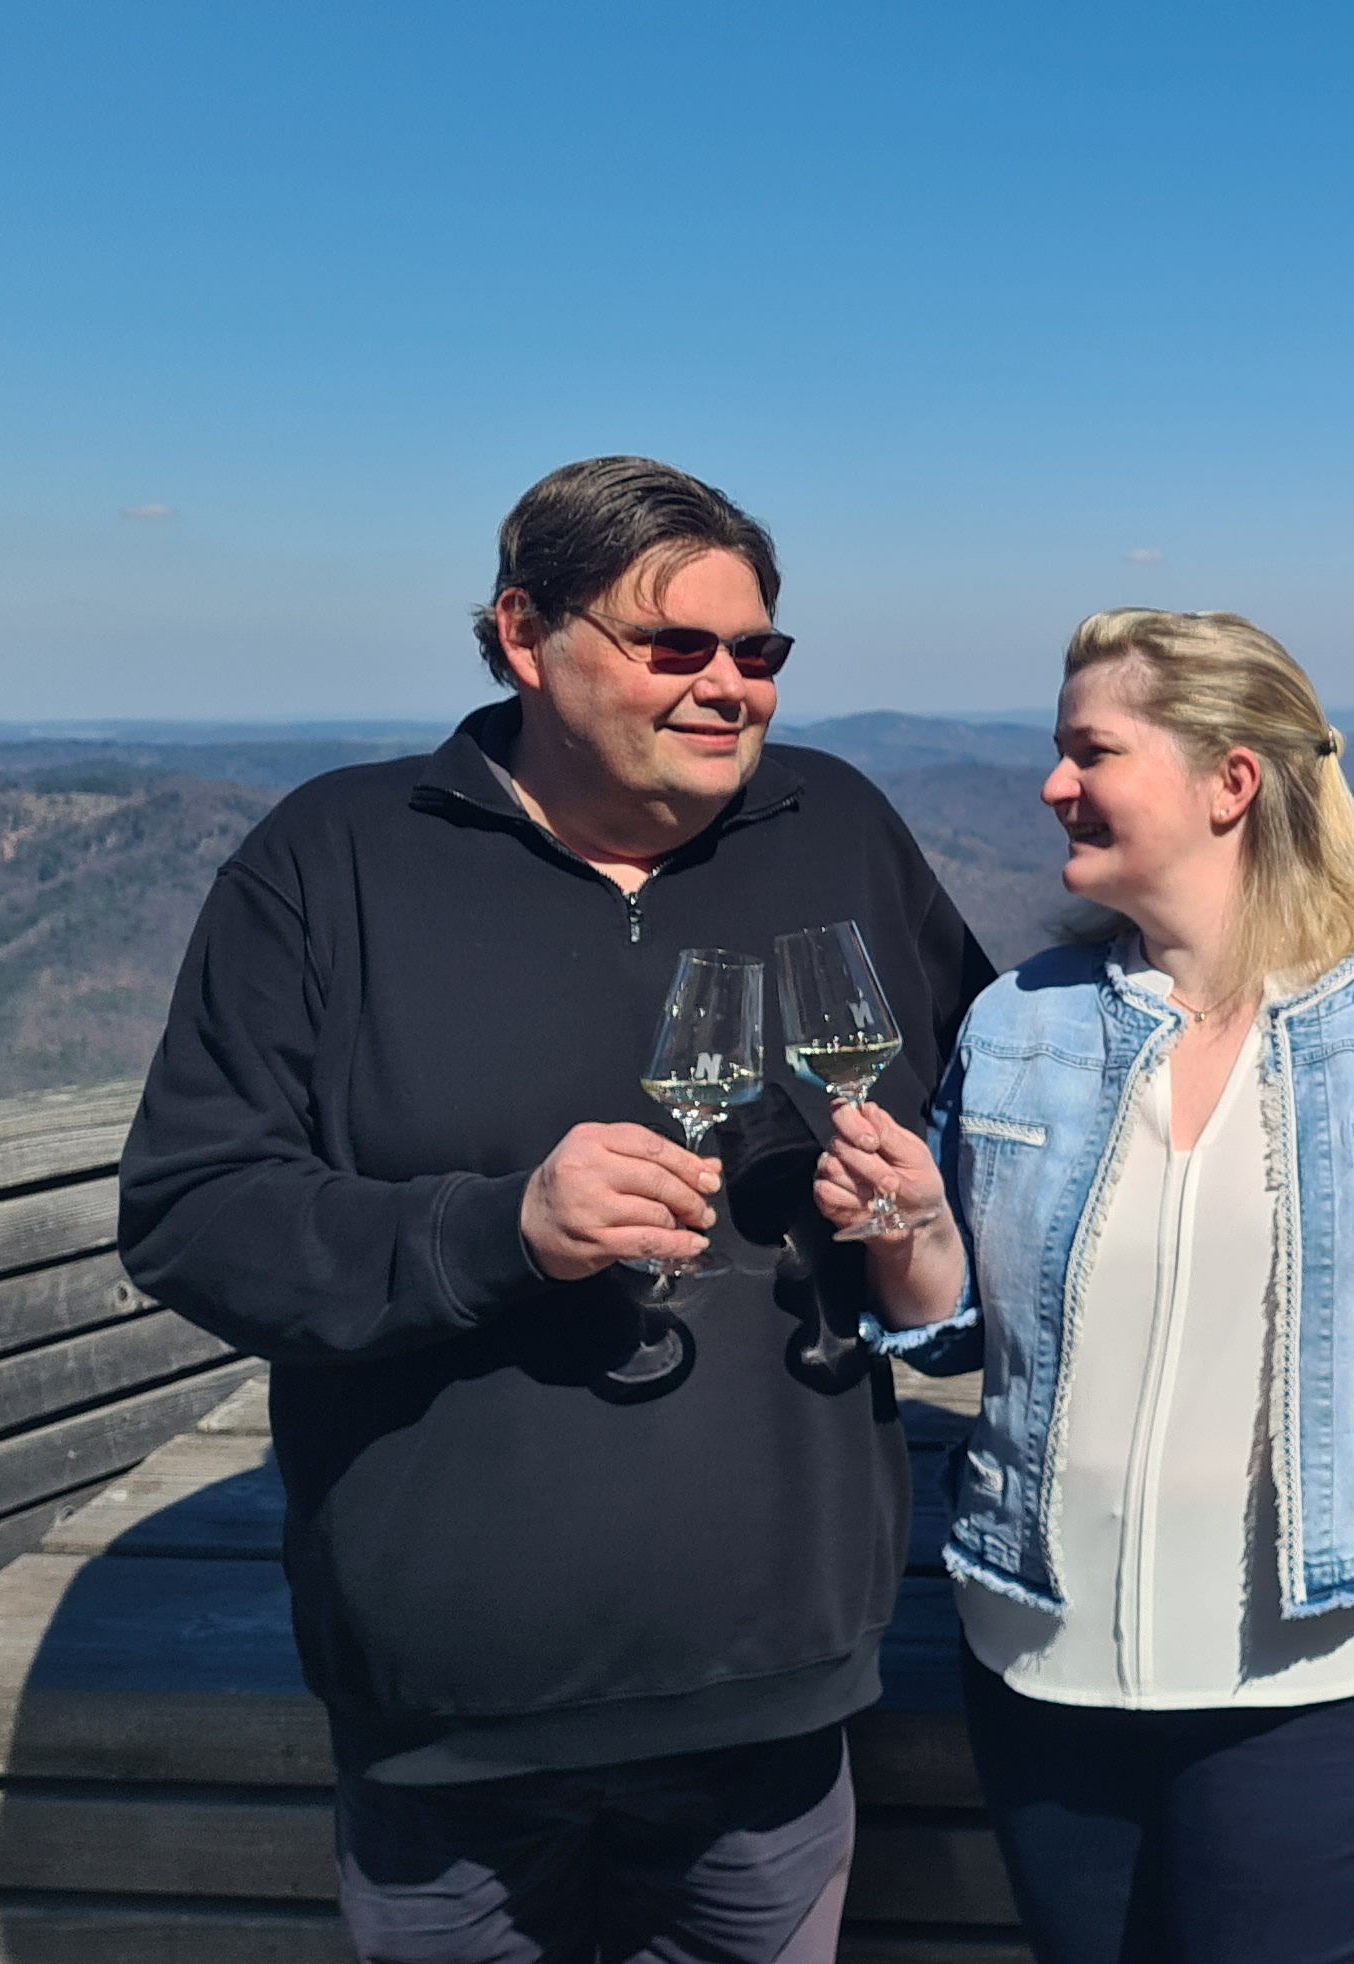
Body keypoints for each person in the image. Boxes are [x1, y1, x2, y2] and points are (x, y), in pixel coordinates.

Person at [120, 457, 993, 1964]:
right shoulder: (335, 859)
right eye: (676, 645)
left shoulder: (835, 826)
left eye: (758, 650)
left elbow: (992, 1108)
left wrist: (923, 1221)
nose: (729, 686)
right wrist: (497, 1232)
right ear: (526, 634)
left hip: (779, 1689)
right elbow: (194, 1213)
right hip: (451, 1714)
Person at [813, 609, 1354, 1964]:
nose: (1053, 784)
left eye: (1091, 752)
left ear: (1231, 781)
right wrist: (913, 1227)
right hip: (1039, 1655)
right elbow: (949, 1329)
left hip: (1326, 1665)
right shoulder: (1022, 1023)